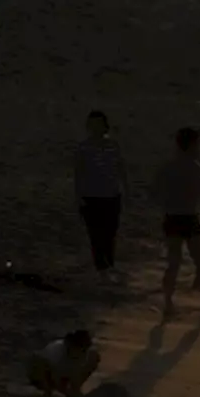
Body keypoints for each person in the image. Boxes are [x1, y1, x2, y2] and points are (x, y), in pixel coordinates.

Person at [153, 127, 200, 320]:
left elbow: (157, 189)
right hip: (187, 217)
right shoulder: (193, 167)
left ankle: (169, 303)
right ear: (192, 145)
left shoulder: (168, 167)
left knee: (174, 263)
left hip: (172, 218)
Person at [74, 110, 128, 283]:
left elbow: (120, 168)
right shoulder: (83, 148)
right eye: (93, 124)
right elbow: (79, 173)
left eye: (99, 124)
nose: (96, 128)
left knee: (110, 233)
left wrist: (125, 188)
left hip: (112, 195)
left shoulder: (113, 145)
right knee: (96, 234)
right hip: (91, 196)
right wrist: (79, 196)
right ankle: (102, 269)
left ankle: (109, 264)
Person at [27, 330, 102, 397]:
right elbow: (40, 368)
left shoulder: (90, 355)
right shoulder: (54, 351)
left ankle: (71, 390)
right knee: (40, 364)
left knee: (93, 359)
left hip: (65, 374)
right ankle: (50, 391)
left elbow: (79, 371)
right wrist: (50, 390)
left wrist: (75, 387)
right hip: (47, 374)